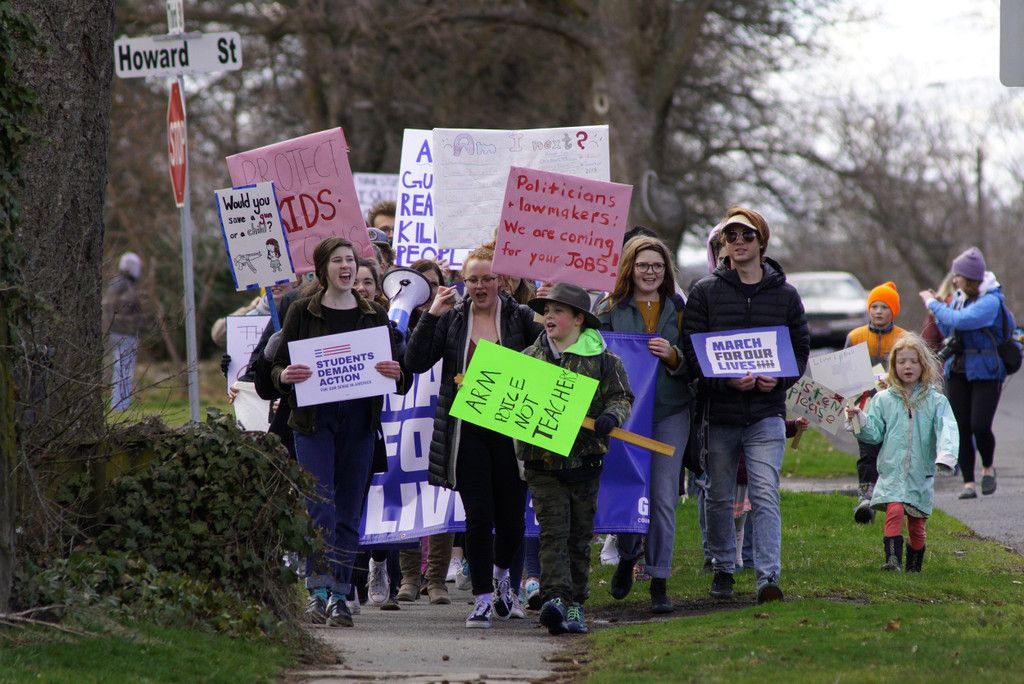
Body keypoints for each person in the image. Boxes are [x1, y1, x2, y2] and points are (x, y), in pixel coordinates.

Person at [272, 237, 410, 628]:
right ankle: (317, 592)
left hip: (359, 425)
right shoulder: (301, 312)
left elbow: (400, 374)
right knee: (320, 507)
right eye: (338, 261)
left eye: (350, 260)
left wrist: (396, 373)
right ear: (323, 269)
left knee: (349, 510)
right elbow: (276, 368)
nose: (346, 267)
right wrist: (284, 375)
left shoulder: (374, 315)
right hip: (313, 424)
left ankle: (339, 595)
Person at [404, 242, 543, 629]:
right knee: (478, 516)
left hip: (514, 433)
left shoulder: (523, 318)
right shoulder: (453, 318)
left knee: (513, 521)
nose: (480, 286)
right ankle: (482, 597)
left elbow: (556, 355)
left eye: (487, 278)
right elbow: (414, 362)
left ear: (502, 281)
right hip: (466, 433)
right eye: (472, 280)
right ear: (462, 283)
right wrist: (432, 314)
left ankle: (502, 577)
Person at [682, 207, 809, 603]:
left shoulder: (785, 295)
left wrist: (781, 378)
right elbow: (692, 350)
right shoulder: (705, 292)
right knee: (718, 494)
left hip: (766, 414)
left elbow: (799, 349)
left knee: (765, 493)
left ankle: (768, 576)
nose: (739, 241)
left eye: (747, 235)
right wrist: (725, 380)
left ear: (761, 241)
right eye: (731, 235)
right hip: (720, 414)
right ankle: (722, 567)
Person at [519, 283, 633, 635]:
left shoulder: (604, 360)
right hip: (542, 463)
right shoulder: (528, 357)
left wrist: (611, 417)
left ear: (579, 318)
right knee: (553, 532)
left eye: (558, 311)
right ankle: (555, 598)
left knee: (579, 536)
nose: (548, 316)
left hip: (585, 462)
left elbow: (621, 397)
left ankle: (576, 604)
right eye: (546, 311)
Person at [596, 236, 691, 614]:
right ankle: (627, 553)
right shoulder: (609, 308)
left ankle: (659, 580)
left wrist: (674, 355)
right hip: (626, 415)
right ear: (629, 269)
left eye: (657, 266)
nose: (650, 272)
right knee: (627, 487)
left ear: (666, 271)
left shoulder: (679, 309)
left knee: (664, 497)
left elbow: (694, 363)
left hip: (670, 412)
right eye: (643, 265)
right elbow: (592, 354)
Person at [845, 334, 959, 572]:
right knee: (894, 509)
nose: (907, 366)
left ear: (923, 365)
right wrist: (859, 420)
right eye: (902, 362)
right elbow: (874, 433)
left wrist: (946, 456)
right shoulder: (883, 399)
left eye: (913, 361)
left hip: (920, 472)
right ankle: (892, 560)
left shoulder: (936, 401)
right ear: (894, 366)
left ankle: (914, 566)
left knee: (917, 522)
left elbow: (947, 428)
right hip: (892, 469)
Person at [920, 247, 1007, 500]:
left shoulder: (991, 301)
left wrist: (933, 303)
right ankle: (969, 482)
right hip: (957, 368)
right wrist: (937, 309)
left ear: (968, 277)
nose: (954, 279)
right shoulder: (959, 297)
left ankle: (988, 467)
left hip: (987, 371)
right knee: (961, 426)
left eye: (957, 275)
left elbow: (963, 321)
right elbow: (949, 327)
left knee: (980, 424)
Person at [844, 281, 908, 524]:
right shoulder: (855, 337)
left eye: (884, 307)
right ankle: (866, 498)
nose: (879, 311)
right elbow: (844, 374)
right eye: (874, 306)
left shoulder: (903, 338)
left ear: (894, 311)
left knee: (891, 452)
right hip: (864, 406)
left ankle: (893, 498)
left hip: (894, 406)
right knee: (867, 452)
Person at [102, 252, 144, 412]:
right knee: (123, 370)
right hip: (124, 334)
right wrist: (135, 324)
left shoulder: (118, 285)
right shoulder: (124, 287)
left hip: (118, 333)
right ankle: (120, 406)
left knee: (121, 369)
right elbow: (123, 312)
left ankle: (120, 404)